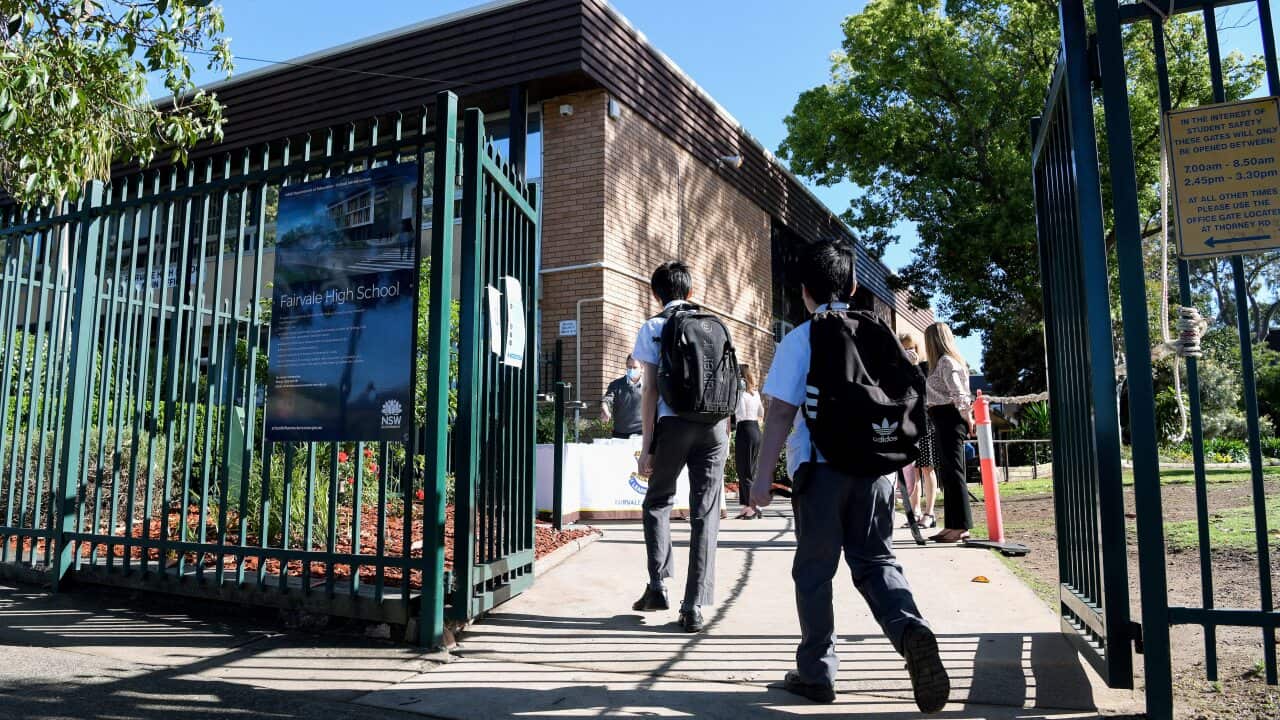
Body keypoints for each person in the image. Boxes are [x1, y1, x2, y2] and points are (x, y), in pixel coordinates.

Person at [751, 240, 949, 713]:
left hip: (821, 471)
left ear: (804, 292)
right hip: (878, 471)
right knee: (876, 561)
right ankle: (910, 630)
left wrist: (760, 480)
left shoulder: (802, 338)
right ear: (855, 285)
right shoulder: (876, 331)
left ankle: (818, 673)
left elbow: (779, 413)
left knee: (815, 572)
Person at [631, 260, 730, 633]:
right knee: (705, 513)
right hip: (715, 426)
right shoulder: (714, 324)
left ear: (656, 294)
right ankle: (693, 606)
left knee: (658, 501)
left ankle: (658, 585)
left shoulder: (654, 327)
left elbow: (650, 391)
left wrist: (647, 446)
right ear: (691, 292)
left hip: (674, 424)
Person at [924, 322, 974, 543]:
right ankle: (952, 524)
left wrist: (967, 417)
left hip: (950, 418)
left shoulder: (946, 362)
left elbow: (959, 392)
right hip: (941, 418)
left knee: (954, 472)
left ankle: (962, 527)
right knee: (947, 472)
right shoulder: (940, 363)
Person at [899, 334, 938, 529]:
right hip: (907, 425)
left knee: (926, 467)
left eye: (911, 348)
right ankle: (913, 511)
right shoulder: (898, 369)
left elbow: (926, 390)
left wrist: (914, 367)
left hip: (924, 423)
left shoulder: (925, 367)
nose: (908, 352)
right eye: (903, 349)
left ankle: (929, 513)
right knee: (910, 470)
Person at [732, 366, 763, 520]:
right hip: (756, 429)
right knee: (751, 470)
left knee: (744, 471)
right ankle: (747, 506)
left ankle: (752, 507)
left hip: (744, 430)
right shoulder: (755, 394)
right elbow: (761, 413)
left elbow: (734, 412)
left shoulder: (739, 394)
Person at [601, 354, 644, 439]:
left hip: (641, 434)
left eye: (635, 367)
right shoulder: (616, 385)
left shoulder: (648, 386)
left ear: (642, 368)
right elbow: (607, 399)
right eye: (629, 367)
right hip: (619, 434)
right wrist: (605, 409)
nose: (631, 370)